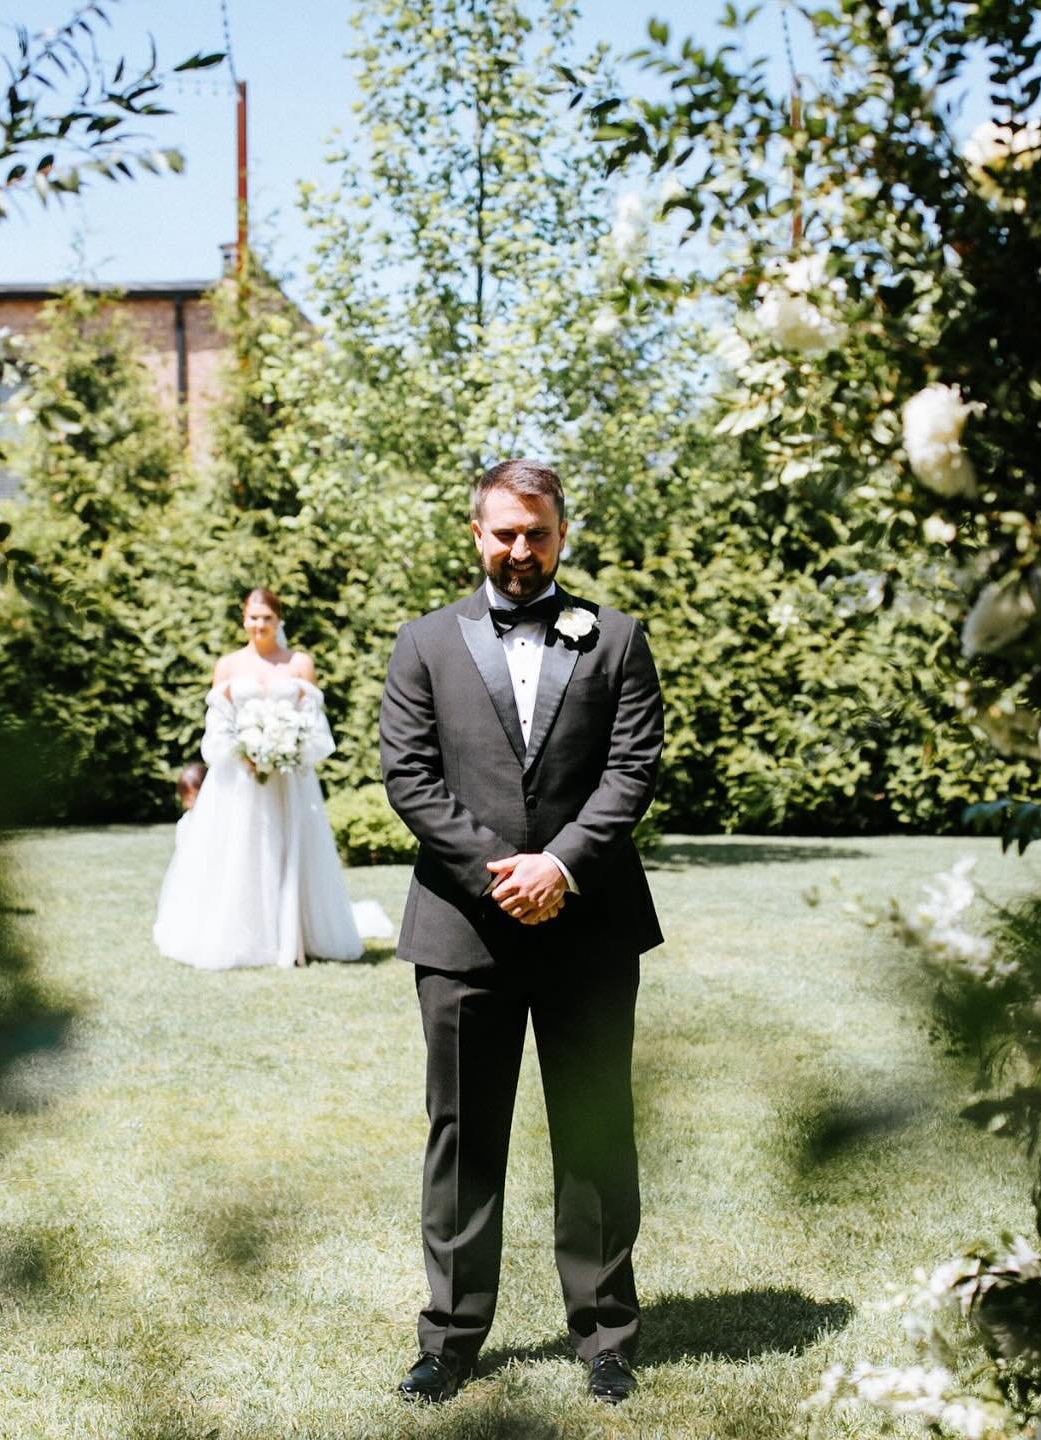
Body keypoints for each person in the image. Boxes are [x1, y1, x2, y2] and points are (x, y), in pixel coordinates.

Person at [379, 459, 664, 1406]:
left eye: (536, 532)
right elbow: (410, 777)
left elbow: (631, 771)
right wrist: (502, 872)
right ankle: (452, 1337)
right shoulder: (422, 644)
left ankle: (606, 1335)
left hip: (590, 927)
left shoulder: (617, 640)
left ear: (562, 533)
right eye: (504, 532)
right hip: (465, 929)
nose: (520, 549)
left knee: (594, 1130)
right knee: (464, 1135)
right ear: (477, 534)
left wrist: (561, 866)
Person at [153, 587, 377, 970]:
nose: (259, 625)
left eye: (267, 618)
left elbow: (314, 727)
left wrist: (286, 750)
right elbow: (217, 727)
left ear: (279, 620)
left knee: (289, 848)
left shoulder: (299, 663)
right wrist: (245, 754)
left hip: (289, 779)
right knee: (241, 851)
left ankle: (295, 934)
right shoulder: (227, 666)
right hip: (238, 780)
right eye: (253, 617)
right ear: (244, 619)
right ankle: (244, 935)